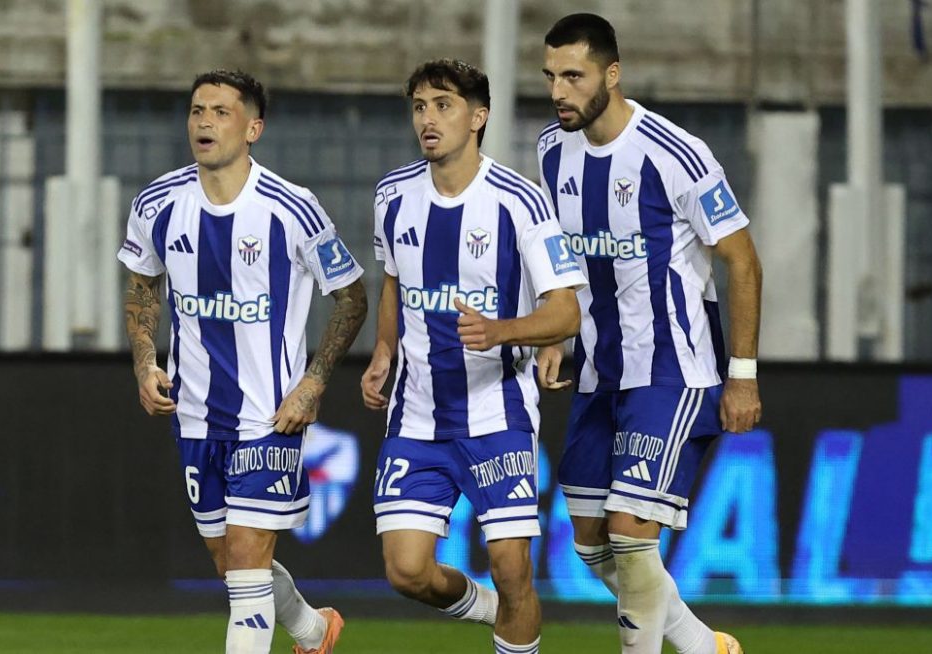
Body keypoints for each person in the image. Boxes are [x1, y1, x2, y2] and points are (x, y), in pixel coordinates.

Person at [535, 14, 763, 654]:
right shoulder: (551, 152)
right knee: (590, 542)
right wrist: (553, 335)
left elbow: (742, 260)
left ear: (612, 74)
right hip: (599, 371)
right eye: (550, 77)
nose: (559, 92)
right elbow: (561, 258)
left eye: (574, 76)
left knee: (630, 533)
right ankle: (704, 647)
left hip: (673, 370)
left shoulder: (675, 153)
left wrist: (742, 377)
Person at [119, 69, 367, 654]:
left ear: (253, 128)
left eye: (220, 112)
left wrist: (313, 383)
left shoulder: (293, 208)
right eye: (196, 110)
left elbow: (352, 297)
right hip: (195, 416)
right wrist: (144, 363)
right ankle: (313, 629)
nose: (203, 121)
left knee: (249, 564)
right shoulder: (157, 203)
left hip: (269, 417)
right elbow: (143, 286)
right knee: (229, 562)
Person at [360, 59, 586, 654]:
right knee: (406, 571)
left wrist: (502, 331)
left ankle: (508, 606)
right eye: (419, 107)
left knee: (513, 570)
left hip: (495, 415)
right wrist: (384, 347)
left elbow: (567, 312)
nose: (427, 120)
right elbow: (393, 281)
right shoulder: (392, 196)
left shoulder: (522, 201)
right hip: (416, 417)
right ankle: (491, 610)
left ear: (478, 117)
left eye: (443, 105)